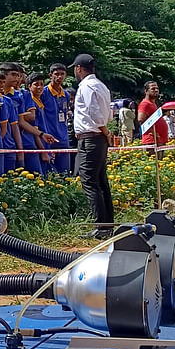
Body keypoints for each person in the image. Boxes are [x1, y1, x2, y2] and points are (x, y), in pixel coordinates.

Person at [71, 54, 114, 239]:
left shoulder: (86, 86)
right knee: (100, 180)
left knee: (89, 181)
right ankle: (107, 224)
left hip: (91, 137)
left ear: (79, 68)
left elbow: (94, 112)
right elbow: (109, 113)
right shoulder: (100, 85)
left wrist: (104, 130)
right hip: (97, 137)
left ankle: (100, 226)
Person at [43, 64, 73, 173]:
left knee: (65, 171)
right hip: (48, 137)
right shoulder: (44, 93)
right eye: (56, 74)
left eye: (62, 74)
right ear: (50, 75)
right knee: (49, 172)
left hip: (63, 136)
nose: (59, 77)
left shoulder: (66, 95)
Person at [138, 81, 167, 150]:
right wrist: (154, 134)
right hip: (152, 142)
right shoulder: (145, 104)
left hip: (158, 141)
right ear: (146, 91)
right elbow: (141, 120)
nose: (156, 90)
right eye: (153, 89)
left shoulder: (152, 104)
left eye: (157, 88)